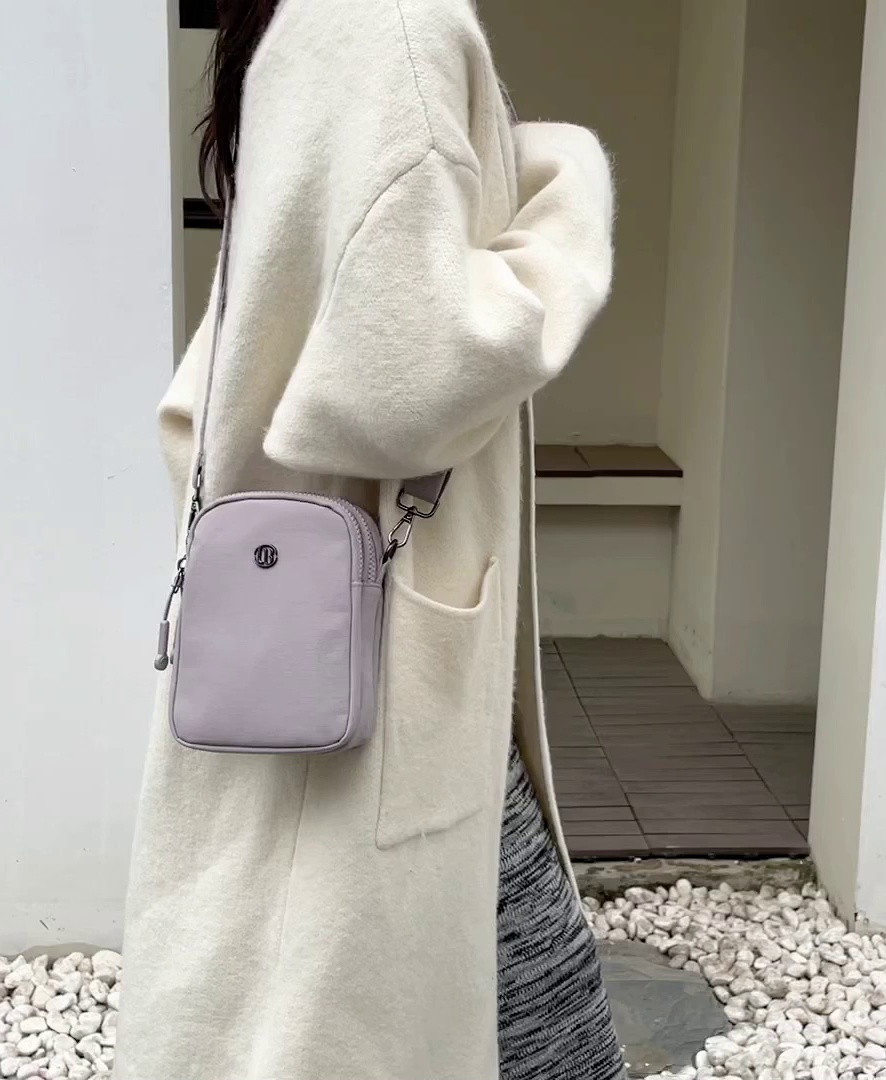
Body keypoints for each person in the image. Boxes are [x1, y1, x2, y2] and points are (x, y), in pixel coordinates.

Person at [114, 0, 620, 1078]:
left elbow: (226, 380)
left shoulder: (316, 25)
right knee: (480, 1024)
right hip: (385, 668)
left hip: (324, 627)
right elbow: (405, 382)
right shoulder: (392, 22)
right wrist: (564, 187)